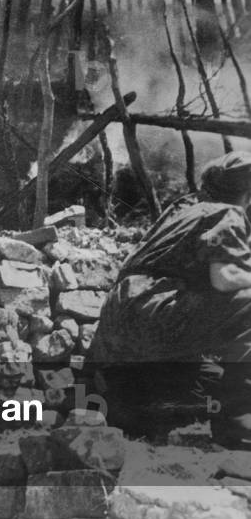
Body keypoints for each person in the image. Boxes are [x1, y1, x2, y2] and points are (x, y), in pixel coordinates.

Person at [89, 151, 251, 447]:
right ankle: (240, 437)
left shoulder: (185, 210)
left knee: (208, 381)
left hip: (119, 324)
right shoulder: (228, 214)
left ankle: (134, 417)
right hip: (154, 313)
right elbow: (225, 278)